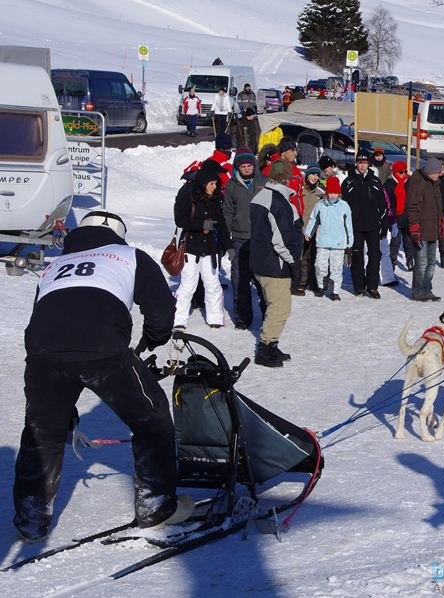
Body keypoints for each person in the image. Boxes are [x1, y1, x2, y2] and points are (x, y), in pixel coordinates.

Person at [12, 211, 189, 542]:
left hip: (42, 353)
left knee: (43, 433)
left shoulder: (54, 265)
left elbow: (42, 314)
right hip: (104, 348)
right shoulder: (129, 255)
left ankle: (31, 518)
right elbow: (162, 311)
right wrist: (152, 339)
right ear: (119, 236)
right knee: (152, 420)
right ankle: (157, 507)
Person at [249, 159, 302, 367]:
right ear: (287, 178)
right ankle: (265, 349)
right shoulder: (278, 202)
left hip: (260, 262)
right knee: (279, 309)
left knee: (271, 306)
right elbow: (280, 240)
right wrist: (294, 263)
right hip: (275, 265)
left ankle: (272, 344)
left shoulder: (259, 196)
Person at [173, 165, 232, 329]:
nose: (215, 187)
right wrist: (202, 225)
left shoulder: (215, 200)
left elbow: (221, 224)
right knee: (188, 285)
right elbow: (180, 220)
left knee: (213, 284)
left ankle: (215, 318)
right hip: (190, 248)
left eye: (216, 183)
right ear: (203, 183)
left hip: (210, 250)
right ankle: (179, 319)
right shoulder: (188, 197)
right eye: (211, 183)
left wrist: (229, 246)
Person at [223, 148, 267, 329]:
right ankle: (242, 319)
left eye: (250, 165)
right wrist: (228, 243)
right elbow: (227, 213)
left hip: (261, 239)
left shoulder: (263, 182)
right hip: (240, 239)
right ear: (237, 168)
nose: (247, 169)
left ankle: (268, 317)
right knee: (239, 280)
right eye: (243, 166)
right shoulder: (231, 185)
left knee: (263, 282)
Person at [342, 150, 388, 299]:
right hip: (355, 227)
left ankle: (372, 286)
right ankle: (359, 286)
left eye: (365, 163)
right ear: (356, 163)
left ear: (369, 164)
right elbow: (343, 207)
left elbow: (383, 205)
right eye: (360, 163)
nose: (362, 166)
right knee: (357, 257)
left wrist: (384, 224)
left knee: (374, 256)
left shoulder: (375, 181)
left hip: (373, 225)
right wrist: (344, 227)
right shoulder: (348, 182)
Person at [304, 176, 352, 301]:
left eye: (335, 193)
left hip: (339, 242)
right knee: (320, 265)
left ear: (339, 193)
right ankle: (321, 286)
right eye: (330, 193)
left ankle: (335, 291)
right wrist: (308, 232)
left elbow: (348, 225)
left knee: (336, 268)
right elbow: (313, 219)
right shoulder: (320, 205)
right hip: (323, 241)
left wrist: (349, 241)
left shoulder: (344, 206)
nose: (332, 196)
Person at [406, 158, 444, 301]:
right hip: (421, 230)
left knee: (431, 262)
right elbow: (413, 208)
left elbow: (438, 206)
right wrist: (414, 229)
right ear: (429, 172)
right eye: (437, 172)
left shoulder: (434, 184)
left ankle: (427, 289)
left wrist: (440, 222)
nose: (439, 174)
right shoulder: (417, 183)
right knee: (421, 263)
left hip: (432, 229)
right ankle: (417, 291)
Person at [296, 163, 324, 294]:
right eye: (312, 174)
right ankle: (302, 281)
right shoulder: (299, 190)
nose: (315, 177)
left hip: (317, 230)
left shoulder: (321, 192)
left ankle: (314, 282)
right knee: (303, 257)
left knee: (315, 257)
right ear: (307, 175)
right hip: (302, 228)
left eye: (317, 175)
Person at [385, 160, 414, 271]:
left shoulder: (410, 183)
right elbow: (387, 201)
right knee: (395, 241)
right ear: (395, 172)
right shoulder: (389, 184)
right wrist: (390, 218)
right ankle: (393, 260)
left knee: (408, 240)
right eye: (400, 172)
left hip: (407, 216)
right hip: (395, 217)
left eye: (405, 171)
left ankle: (410, 258)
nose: (403, 174)